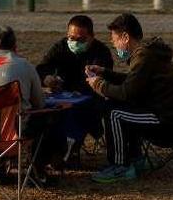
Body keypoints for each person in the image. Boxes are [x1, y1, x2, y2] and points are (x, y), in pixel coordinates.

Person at [86, 13, 173, 184]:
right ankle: (135, 159)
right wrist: (105, 73)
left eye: (114, 39)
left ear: (125, 37)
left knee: (114, 112)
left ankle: (120, 166)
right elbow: (134, 82)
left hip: (166, 122)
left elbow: (127, 92)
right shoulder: (147, 53)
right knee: (119, 106)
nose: (113, 43)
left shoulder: (143, 56)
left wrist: (99, 85)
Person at [0, 26, 60, 182]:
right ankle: (38, 171)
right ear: (14, 46)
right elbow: (39, 104)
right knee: (48, 116)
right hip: (13, 137)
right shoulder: (24, 65)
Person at [35, 15, 114, 165]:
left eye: (81, 40)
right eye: (71, 38)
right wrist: (47, 78)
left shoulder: (101, 52)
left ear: (91, 37)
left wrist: (81, 89)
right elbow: (41, 68)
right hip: (62, 94)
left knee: (78, 111)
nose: (75, 43)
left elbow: (102, 80)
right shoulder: (61, 47)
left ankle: (70, 148)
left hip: (89, 98)